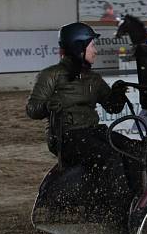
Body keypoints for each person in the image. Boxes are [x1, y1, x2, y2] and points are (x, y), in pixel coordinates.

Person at [26, 22, 140, 196]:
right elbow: (32, 109)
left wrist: (117, 94)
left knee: (133, 149)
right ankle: (110, 208)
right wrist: (48, 106)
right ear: (78, 47)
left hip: (92, 131)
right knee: (110, 157)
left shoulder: (93, 78)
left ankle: (137, 198)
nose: (95, 51)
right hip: (66, 136)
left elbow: (112, 108)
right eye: (92, 45)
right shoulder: (51, 75)